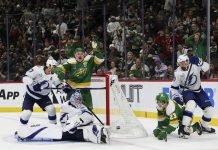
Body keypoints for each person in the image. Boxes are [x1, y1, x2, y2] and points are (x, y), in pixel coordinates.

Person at [15, 92, 110, 144]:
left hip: (78, 128)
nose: (79, 101)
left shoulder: (82, 107)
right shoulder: (65, 106)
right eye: (77, 99)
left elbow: (89, 117)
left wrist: (80, 119)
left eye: (80, 100)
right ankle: (23, 133)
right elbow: (63, 120)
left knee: (83, 129)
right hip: (65, 128)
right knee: (48, 131)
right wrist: (76, 116)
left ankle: (99, 133)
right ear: (72, 99)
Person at [171, 54, 216, 135]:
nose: (183, 64)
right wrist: (175, 96)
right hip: (187, 91)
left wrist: (200, 62)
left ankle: (204, 126)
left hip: (199, 90)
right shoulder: (177, 72)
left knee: (209, 111)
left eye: (185, 62)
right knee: (191, 104)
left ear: (188, 61)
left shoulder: (195, 65)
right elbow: (174, 87)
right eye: (181, 63)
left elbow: (207, 67)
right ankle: (184, 127)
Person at [54, 42, 104, 109]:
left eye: (81, 54)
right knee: (68, 110)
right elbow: (59, 67)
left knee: (88, 112)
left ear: (84, 54)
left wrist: (96, 51)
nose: (80, 55)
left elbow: (100, 60)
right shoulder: (71, 61)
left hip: (85, 91)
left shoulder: (89, 60)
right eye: (78, 54)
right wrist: (59, 71)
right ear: (75, 55)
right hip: (72, 91)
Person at [20, 55, 64, 125]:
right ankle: (22, 127)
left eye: (55, 67)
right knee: (26, 113)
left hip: (43, 97)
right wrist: (33, 84)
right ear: (47, 66)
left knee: (51, 109)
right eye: (52, 66)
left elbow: (58, 85)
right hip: (30, 96)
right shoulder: (36, 69)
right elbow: (25, 78)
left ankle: (53, 127)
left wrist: (64, 88)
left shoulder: (54, 75)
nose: (53, 69)